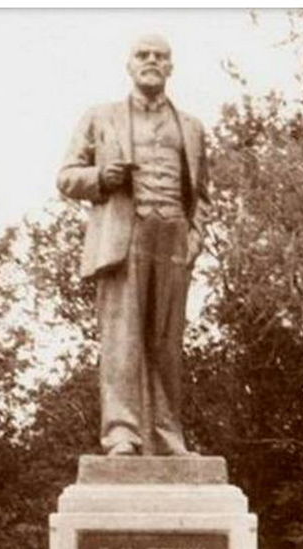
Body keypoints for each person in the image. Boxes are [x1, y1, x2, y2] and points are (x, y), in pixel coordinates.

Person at [58, 33, 207, 456]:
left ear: (171, 67)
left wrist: (195, 237)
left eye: (160, 56)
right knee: (122, 340)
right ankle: (121, 432)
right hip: (124, 238)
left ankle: (166, 434)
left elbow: (203, 194)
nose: (152, 61)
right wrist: (100, 179)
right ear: (129, 64)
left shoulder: (192, 127)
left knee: (167, 342)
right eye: (143, 55)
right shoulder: (100, 117)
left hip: (173, 236)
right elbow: (67, 176)